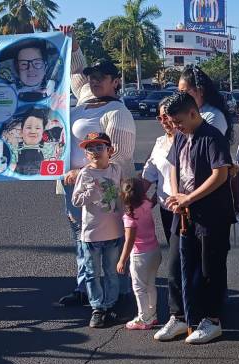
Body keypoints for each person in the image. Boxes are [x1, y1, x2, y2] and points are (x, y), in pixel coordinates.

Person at [57, 25, 136, 307]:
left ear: (116, 81)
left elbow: (120, 155)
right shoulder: (85, 97)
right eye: (93, 76)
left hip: (106, 188)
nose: (94, 80)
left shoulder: (117, 111)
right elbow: (75, 73)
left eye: (102, 77)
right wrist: (73, 44)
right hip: (73, 185)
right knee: (81, 237)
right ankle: (85, 289)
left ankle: (120, 293)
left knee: (112, 240)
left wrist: (83, 172)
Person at [165, 92, 234, 344]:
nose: (175, 127)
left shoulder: (212, 137)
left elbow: (220, 175)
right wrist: (176, 195)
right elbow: (173, 166)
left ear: (193, 114)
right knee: (175, 266)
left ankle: (212, 320)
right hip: (183, 212)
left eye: (179, 121)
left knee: (209, 268)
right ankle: (179, 316)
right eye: (173, 122)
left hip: (211, 215)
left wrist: (189, 197)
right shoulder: (180, 137)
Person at [143, 98, 190, 341]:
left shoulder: (191, 139)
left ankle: (186, 313)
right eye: (160, 118)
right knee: (176, 258)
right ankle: (180, 312)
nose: (164, 122)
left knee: (181, 262)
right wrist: (129, 197)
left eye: (167, 117)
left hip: (189, 209)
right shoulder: (160, 143)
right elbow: (150, 175)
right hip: (167, 209)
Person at [71, 132, 124, 328]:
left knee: (111, 271)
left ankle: (110, 305)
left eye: (99, 147)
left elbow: (120, 196)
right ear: (86, 154)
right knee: (93, 272)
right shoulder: (85, 173)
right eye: (89, 149)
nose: (94, 152)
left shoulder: (116, 170)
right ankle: (97, 307)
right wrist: (91, 192)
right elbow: (76, 200)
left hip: (114, 231)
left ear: (109, 150)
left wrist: (126, 214)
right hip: (91, 233)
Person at [117, 177, 162, 330]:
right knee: (150, 285)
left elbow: (129, 240)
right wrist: (160, 189)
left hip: (140, 255)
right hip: (155, 250)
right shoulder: (146, 204)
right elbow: (154, 200)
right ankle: (152, 315)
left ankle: (143, 318)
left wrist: (122, 260)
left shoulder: (129, 217)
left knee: (139, 288)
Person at [178, 64, 232, 139]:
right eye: (178, 93)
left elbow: (201, 145)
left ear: (200, 91)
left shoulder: (214, 116)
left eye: (184, 92)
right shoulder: (186, 113)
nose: (180, 96)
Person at [11, 107, 48, 175]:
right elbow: (11, 166)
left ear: (43, 132)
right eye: (28, 127)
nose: (33, 131)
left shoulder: (48, 148)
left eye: (37, 128)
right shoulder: (15, 148)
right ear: (21, 132)